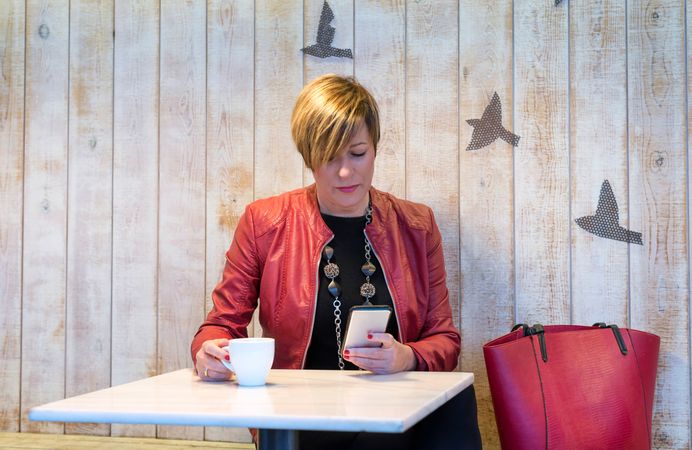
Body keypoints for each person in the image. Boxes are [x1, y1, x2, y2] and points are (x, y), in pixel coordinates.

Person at [191, 74, 482, 449]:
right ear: (309, 158)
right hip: (298, 411)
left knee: (454, 399)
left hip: (393, 408)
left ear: (375, 148)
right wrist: (209, 351)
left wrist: (406, 357)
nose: (346, 172)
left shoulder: (416, 225)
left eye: (358, 153)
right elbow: (221, 325)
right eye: (329, 158)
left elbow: (445, 340)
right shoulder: (265, 221)